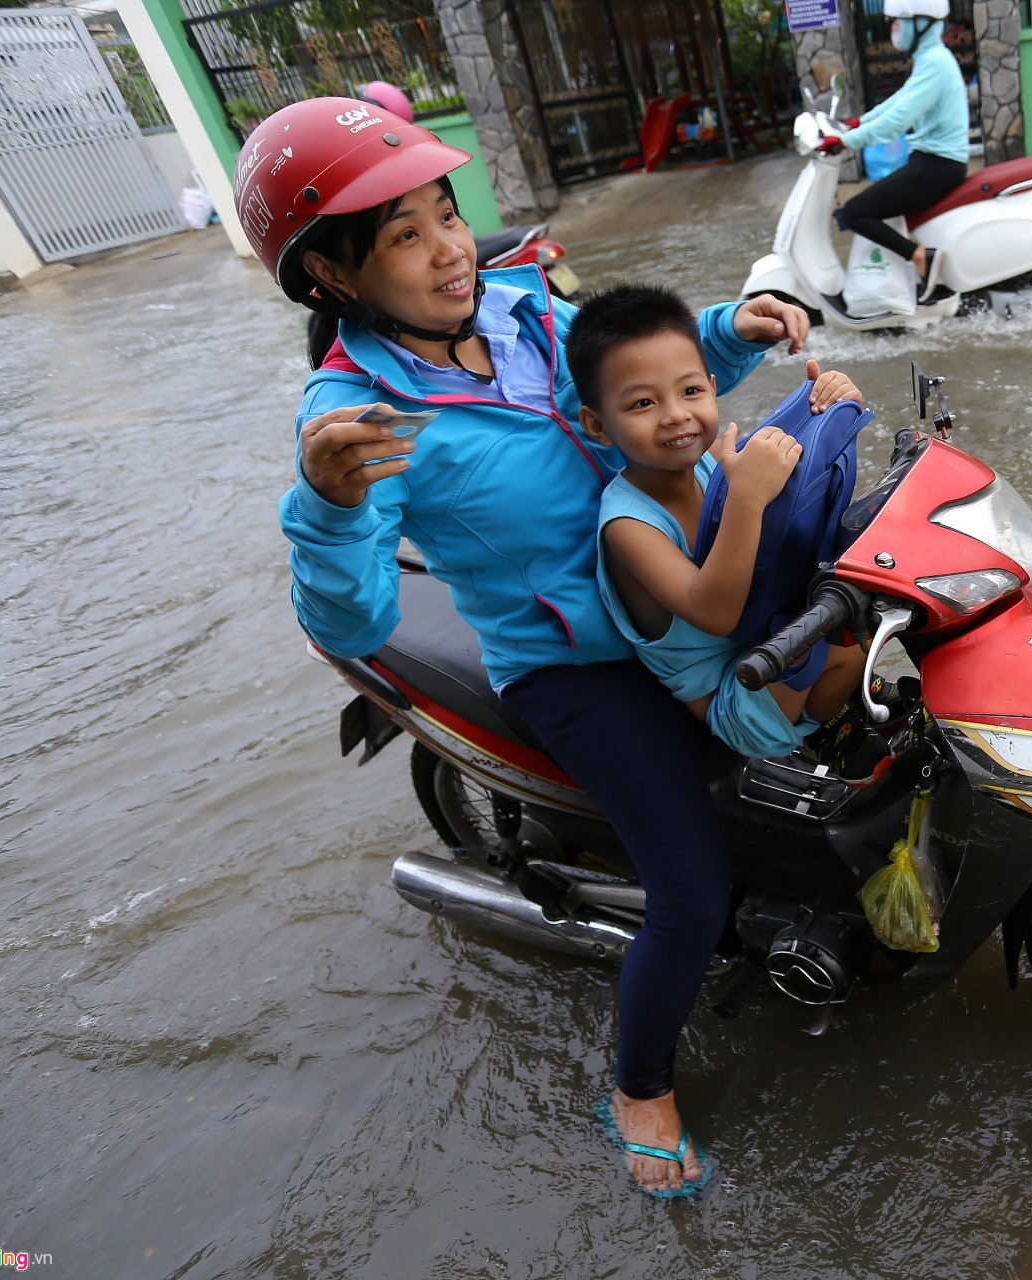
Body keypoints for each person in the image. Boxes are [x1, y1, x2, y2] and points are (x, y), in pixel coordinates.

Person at [242, 97, 820, 1197]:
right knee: (692, 887)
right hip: (576, 662)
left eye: (444, 212)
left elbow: (617, 380)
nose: (450, 247)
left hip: (672, 561)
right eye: (403, 235)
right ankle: (640, 1081)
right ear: (333, 276)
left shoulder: (518, 304)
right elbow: (350, 622)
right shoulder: (358, 416)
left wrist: (723, 332)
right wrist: (321, 502)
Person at [566, 284, 869, 762]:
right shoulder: (627, 524)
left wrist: (829, 405)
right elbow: (715, 612)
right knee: (837, 648)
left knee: (872, 607)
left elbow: (798, 489)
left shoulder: (712, 462)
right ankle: (824, 735)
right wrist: (747, 498)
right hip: (737, 696)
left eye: (690, 391)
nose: (675, 416)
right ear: (598, 425)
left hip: (764, 640)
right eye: (643, 403)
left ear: (711, 385)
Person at [820, 0, 969, 302]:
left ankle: (918, 255)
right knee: (867, 206)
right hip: (933, 164)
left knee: (855, 212)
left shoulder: (935, 63)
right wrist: (859, 121)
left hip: (935, 168)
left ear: (922, 23)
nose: (894, 29)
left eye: (899, 22)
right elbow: (899, 102)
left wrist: (846, 141)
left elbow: (897, 122)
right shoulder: (932, 59)